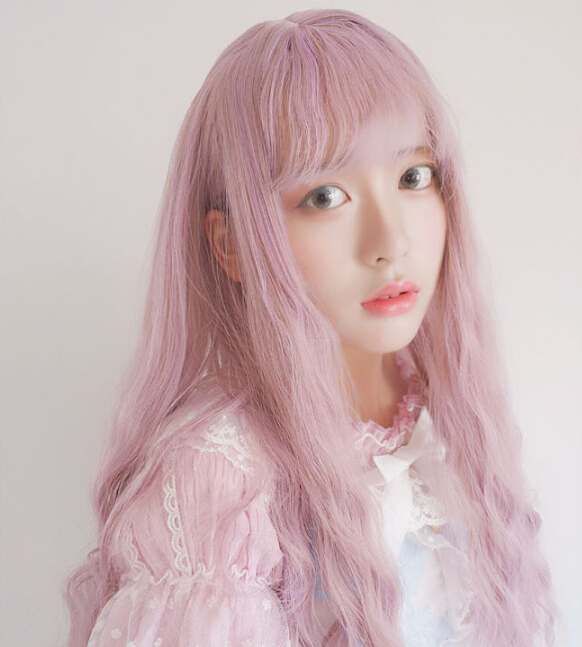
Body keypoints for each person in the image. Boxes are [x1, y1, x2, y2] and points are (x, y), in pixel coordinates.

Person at [63, 8, 559, 647]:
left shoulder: (453, 416)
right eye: (325, 196)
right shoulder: (223, 483)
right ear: (232, 245)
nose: (391, 242)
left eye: (413, 177)